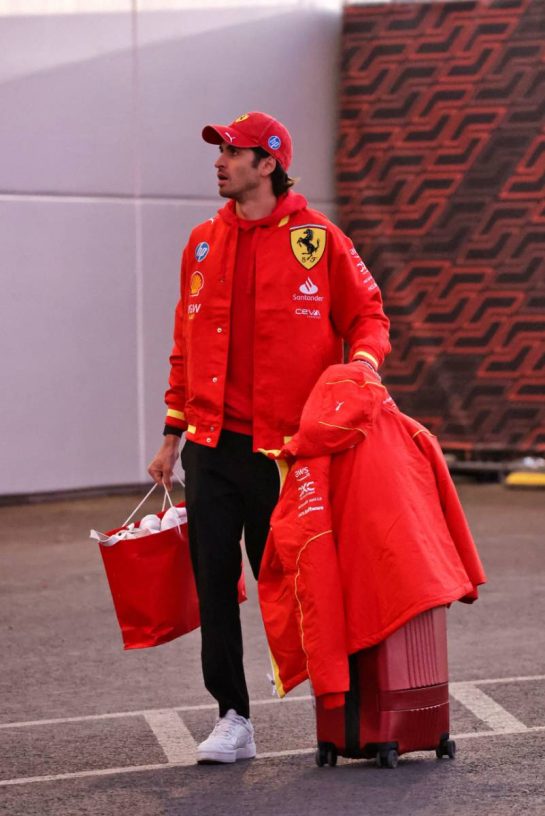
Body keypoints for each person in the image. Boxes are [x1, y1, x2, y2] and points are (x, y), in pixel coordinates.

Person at [147, 111, 391, 764]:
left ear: (268, 164)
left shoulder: (319, 239)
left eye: (233, 152)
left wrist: (362, 368)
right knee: (213, 583)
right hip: (210, 448)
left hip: (285, 454)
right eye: (220, 151)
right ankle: (232, 717)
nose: (219, 162)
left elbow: (368, 316)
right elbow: (184, 345)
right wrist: (171, 434)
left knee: (302, 585)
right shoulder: (202, 242)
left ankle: (346, 714)